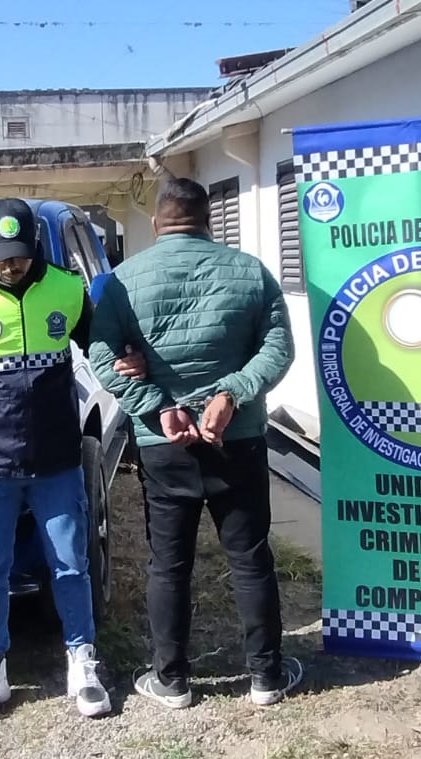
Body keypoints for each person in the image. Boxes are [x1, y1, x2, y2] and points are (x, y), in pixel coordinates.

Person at [0, 197, 142, 725]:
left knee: (70, 564)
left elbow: (101, 349)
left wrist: (128, 354)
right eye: (0, 256)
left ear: (34, 248)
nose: (10, 265)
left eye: (18, 256)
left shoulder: (66, 288)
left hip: (57, 460)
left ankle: (82, 660)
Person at [88, 177, 299, 709]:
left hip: (164, 443)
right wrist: (232, 392)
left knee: (169, 563)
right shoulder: (251, 272)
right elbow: (279, 350)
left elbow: (100, 361)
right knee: (250, 558)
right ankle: (266, 678)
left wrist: (159, 404)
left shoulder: (119, 283)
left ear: (157, 222)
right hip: (238, 436)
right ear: (208, 220)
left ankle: (173, 680)